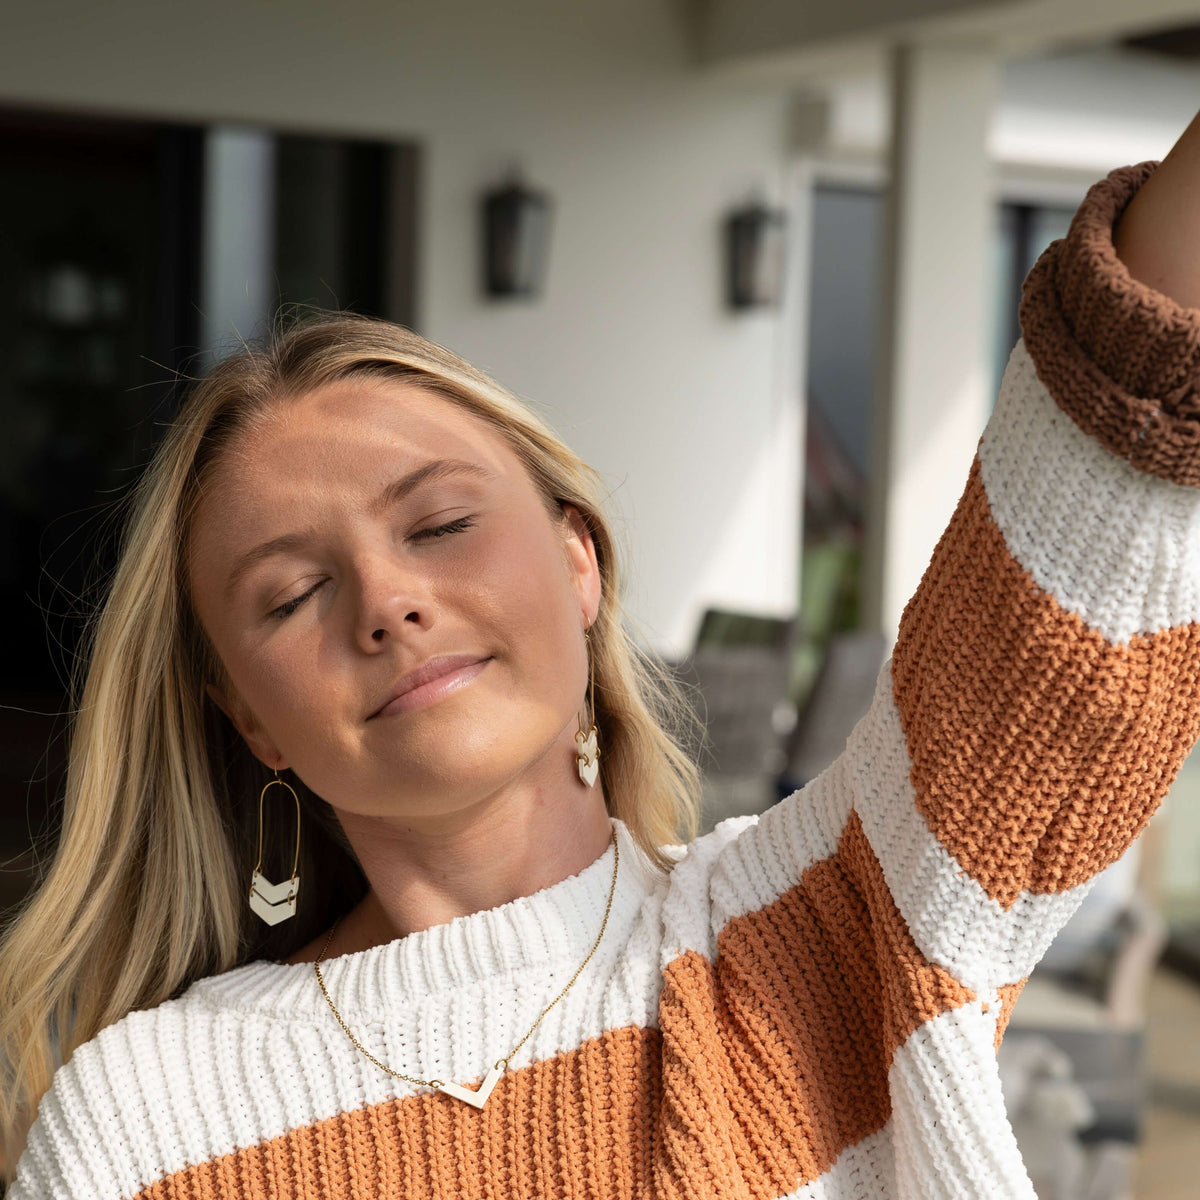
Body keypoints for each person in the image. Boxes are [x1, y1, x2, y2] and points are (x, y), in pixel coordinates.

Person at [2, 107, 1199, 1197]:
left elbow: (1117, 427)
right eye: (293, 593)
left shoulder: (834, 920)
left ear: (580, 563)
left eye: (441, 525)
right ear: (251, 719)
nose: (385, 601)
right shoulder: (142, 1122)